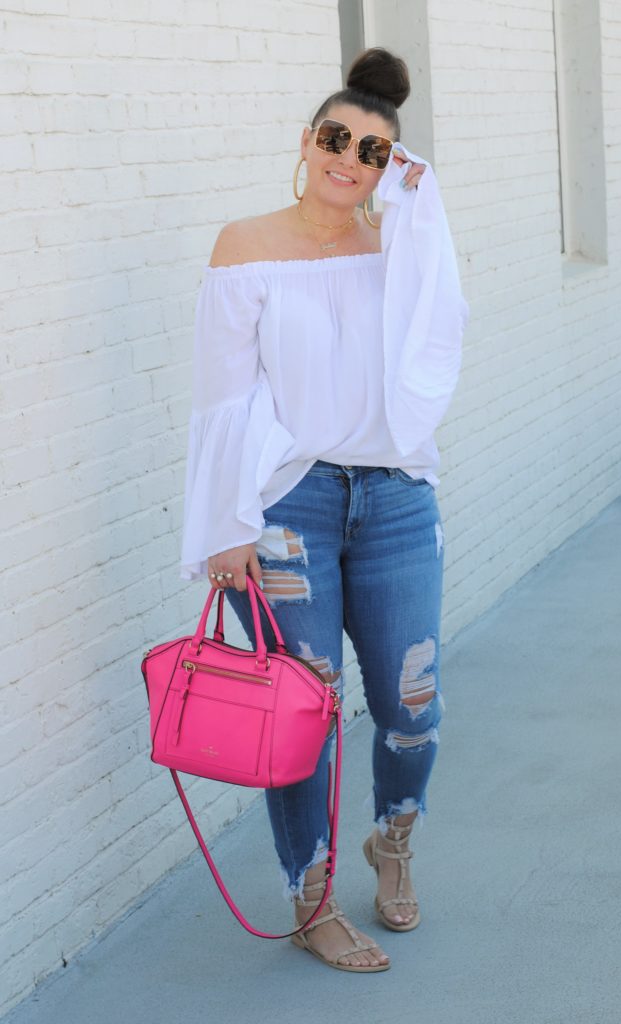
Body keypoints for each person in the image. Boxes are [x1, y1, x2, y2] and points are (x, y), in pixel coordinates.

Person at [180, 46, 469, 973]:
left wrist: (419, 201)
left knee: (410, 705)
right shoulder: (245, 244)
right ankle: (310, 899)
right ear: (307, 142)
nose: (350, 158)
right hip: (285, 504)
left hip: (391, 494)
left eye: (374, 150)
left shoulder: (402, 247)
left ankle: (394, 840)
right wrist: (224, 526)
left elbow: (440, 332)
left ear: (390, 165)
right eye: (337, 139)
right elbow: (222, 398)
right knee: (299, 712)